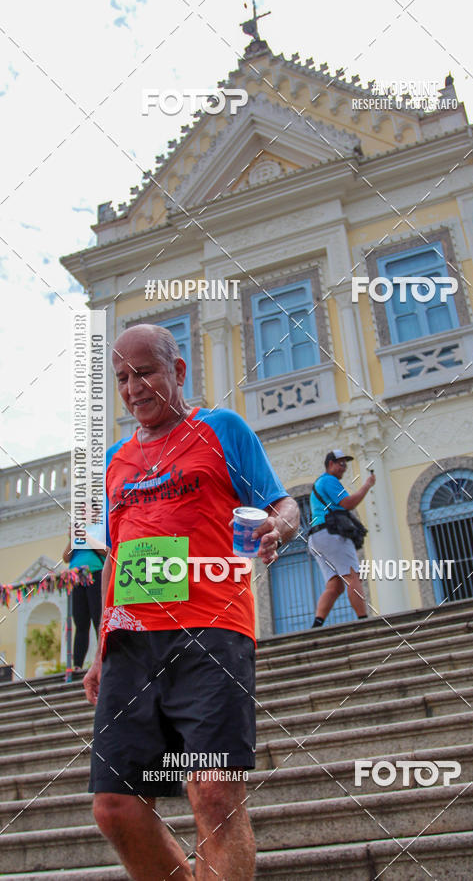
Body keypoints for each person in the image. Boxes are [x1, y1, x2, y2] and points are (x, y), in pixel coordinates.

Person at [83, 323, 299, 881]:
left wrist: (276, 528)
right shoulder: (114, 461)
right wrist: (101, 647)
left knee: (214, 793)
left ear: (177, 371)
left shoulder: (222, 428)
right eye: (122, 377)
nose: (133, 387)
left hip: (212, 632)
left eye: (145, 372)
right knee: (115, 807)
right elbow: (113, 558)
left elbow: (284, 505)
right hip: (131, 642)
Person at [307, 448, 375, 628]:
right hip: (331, 534)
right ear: (330, 464)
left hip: (316, 538)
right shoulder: (329, 480)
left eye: (345, 464)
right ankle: (363, 621)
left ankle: (317, 624)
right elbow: (348, 503)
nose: (344, 468)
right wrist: (367, 485)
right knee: (353, 576)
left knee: (335, 585)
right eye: (341, 464)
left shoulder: (319, 483)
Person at [62, 525, 107, 669]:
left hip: (95, 574)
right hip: (76, 578)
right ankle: (77, 665)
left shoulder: (99, 532)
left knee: (98, 618)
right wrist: (72, 538)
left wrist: (87, 537)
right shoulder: (77, 538)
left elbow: (107, 551)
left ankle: (103, 660)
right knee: (80, 623)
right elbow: (66, 557)